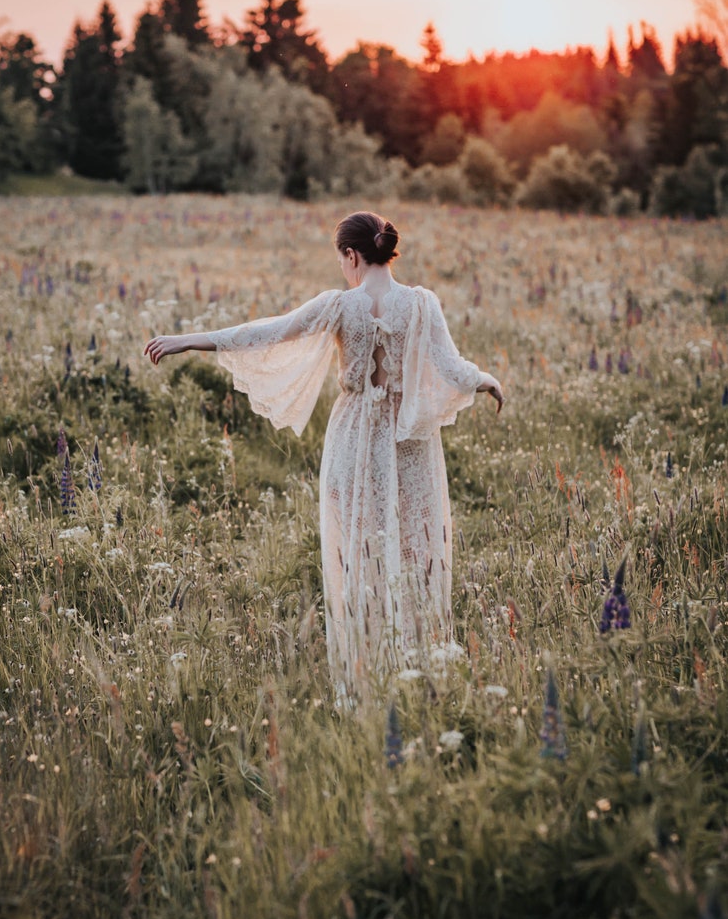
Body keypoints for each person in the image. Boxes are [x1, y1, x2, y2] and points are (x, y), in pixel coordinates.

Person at [144, 211, 503, 702]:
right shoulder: (421, 305)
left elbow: (269, 331)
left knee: (357, 552)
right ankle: (417, 670)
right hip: (409, 444)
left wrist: (191, 340)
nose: (343, 268)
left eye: (342, 260)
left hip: (353, 437)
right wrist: (486, 380)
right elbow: (451, 366)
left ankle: (363, 674)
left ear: (352, 255)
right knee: (413, 550)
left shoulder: (339, 306)